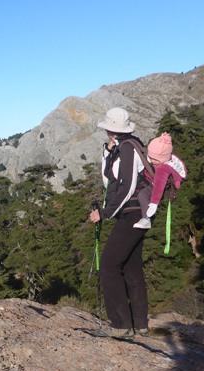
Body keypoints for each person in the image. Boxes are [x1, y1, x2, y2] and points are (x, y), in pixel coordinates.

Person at [89, 107, 149, 340]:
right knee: (131, 268)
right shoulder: (124, 146)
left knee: (109, 267)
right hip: (137, 215)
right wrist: (107, 152)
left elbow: (127, 187)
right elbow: (109, 182)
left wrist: (104, 214)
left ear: (111, 129)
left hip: (132, 214)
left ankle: (121, 325)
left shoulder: (128, 148)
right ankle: (140, 325)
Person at [133, 132, 187, 229]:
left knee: (142, 195)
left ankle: (146, 219)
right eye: (150, 157)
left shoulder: (162, 168)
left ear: (161, 159)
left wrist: (154, 203)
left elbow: (159, 186)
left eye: (154, 159)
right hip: (154, 180)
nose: (151, 161)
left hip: (157, 185)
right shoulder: (168, 157)